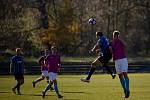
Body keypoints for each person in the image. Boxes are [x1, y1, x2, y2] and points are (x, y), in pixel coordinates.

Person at [110, 31, 130, 98]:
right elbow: (109, 49)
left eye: (117, 35)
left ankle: (127, 90)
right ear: (113, 35)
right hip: (116, 61)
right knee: (120, 76)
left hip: (123, 59)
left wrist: (120, 39)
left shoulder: (120, 41)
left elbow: (125, 45)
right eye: (114, 35)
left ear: (118, 36)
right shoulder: (111, 43)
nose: (115, 36)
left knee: (125, 74)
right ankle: (125, 91)